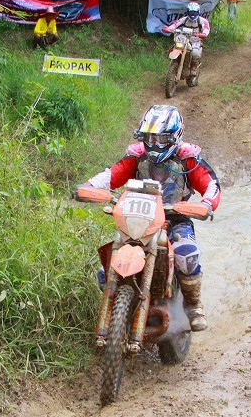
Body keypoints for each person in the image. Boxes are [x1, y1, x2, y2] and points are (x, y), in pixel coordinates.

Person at [84, 105, 220, 331]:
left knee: (187, 255)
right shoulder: (137, 156)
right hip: (138, 219)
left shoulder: (187, 159)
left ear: (175, 136)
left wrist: (206, 204)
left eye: (161, 139)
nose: (155, 144)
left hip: (175, 219)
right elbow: (111, 175)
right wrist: (89, 186)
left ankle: (193, 305)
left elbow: (211, 184)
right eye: (149, 138)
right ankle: (118, 305)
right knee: (106, 266)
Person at [162, 2, 210, 83]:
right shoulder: (184, 19)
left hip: (195, 40)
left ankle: (194, 68)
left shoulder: (202, 21)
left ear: (198, 12)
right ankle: (175, 64)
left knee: (195, 53)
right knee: (175, 47)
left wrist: (203, 34)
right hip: (184, 38)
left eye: (194, 12)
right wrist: (168, 29)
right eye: (191, 12)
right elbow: (175, 24)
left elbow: (206, 29)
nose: (192, 14)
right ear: (188, 11)